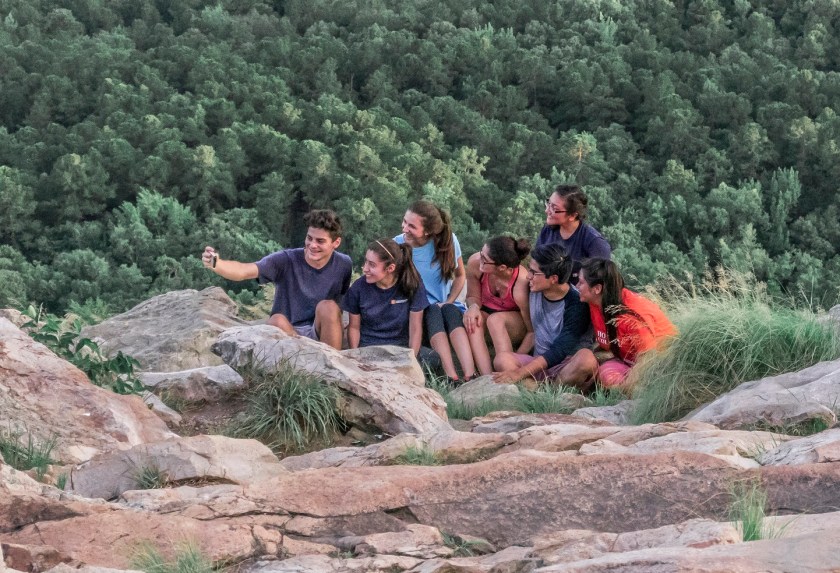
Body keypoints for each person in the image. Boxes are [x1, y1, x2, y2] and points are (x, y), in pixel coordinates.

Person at [201, 209, 351, 350]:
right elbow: (244, 271)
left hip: (319, 330)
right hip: (288, 332)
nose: (312, 245)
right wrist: (217, 264)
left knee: (329, 307)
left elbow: (340, 305)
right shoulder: (285, 260)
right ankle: (301, 360)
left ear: (335, 243)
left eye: (320, 241)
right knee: (276, 320)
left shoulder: (344, 264)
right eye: (309, 238)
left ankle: (331, 367)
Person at [560, 258, 677, 392]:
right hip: (627, 360)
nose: (577, 286)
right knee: (600, 373)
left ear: (597, 288)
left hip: (660, 365)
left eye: (581, 282)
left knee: (614, 382)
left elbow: (649, 357)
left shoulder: (631, 316)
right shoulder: (595, 303)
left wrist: (626, 387)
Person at [395, 200, 476, 383]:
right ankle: (451, 376)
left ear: (427, 231)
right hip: (418, 309)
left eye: (411, 226)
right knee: (433, 312)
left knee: (449, 311)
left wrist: (449, 300)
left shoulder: (448, 241)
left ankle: (470, 375)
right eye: (404, 222)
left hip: (443, 304)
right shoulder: (397, 245)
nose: (404, 228)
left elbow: (460, 276)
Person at [492, 244, 592, 387]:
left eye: (534, 272)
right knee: (501, 359)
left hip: (564, 366)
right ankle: (537, 389)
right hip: (536, 363)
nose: (528, 276)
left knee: (586, 360)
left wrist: (519, 373)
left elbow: (559, 351)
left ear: (553, 278)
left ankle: (547, 390)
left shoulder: (577, 304)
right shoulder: (532, 288)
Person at [343, 238, 429, 354]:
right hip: (369, 348)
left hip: (401, 348)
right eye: (366, 261)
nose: (365, 269)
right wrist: (355, 355)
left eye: (372, 265)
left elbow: (415, 329)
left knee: (433, 359)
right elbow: (354, 327)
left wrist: (411, 358)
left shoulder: (412, 285)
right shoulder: (358, 288)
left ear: (390, 268)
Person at [463, 236, 534, 376]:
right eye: (481, 253)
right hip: (487, 315)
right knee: (473, 321)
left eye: (485, 259)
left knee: (495, 320)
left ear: (502, 267)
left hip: (514, 325)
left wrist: (517, 357)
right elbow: (472, 296)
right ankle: (487, 376)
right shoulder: (475, 262)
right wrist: (473, 307)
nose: (479, 259)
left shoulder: (520, 285)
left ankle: (506, 368)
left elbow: (532, 331)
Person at [536, 184, 611, 281]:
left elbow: (599, 283)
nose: (547, 211)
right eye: (548, 204)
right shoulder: (548, 230)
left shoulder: (595, 243)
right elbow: (536, 264)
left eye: (554, 209)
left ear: (572, 215)